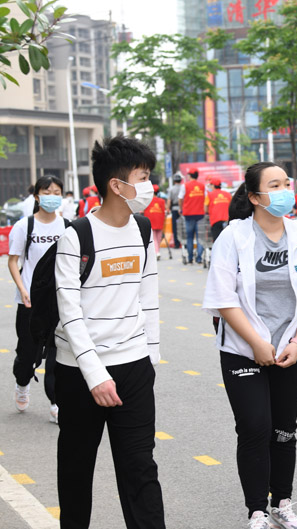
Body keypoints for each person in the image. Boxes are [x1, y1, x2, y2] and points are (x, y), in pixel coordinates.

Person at [202, 161, 297, 529]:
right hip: (243, 349)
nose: (286, 190)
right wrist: (257, 343)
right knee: (255, 426)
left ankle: (282, 503)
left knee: (284, 429)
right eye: (275, 185)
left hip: (290, 350)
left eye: (286, 183)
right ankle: (257, 510)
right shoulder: (234, 237)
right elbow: (222, 297)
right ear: (256, 196)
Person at [54, 135, 164, 528]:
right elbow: (70, 312)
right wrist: (95, 374)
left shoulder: (142, 228)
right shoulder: (76, 236)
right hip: (80, 372)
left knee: (140, 470)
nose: (150, 186)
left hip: (133, 367)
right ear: (117, 185)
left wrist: (150, 358)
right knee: (76, 469)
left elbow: (147, 295)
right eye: (143, 176)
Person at [7, 175, 66, 421]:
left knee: (56, 355)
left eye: (56, 192)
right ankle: (22, 382)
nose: (52, 196)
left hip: (59, 301)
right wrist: (22, 288)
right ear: (37, 196)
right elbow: (13, 261)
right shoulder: (25, 226)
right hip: (30, 301)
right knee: (28, 352)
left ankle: (56, 403)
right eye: (47, 191)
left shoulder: (68, 226)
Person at [180, 169, 206, 264]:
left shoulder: (185, 186)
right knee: (200, 237)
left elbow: (180, 198)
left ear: (190, 175)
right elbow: (206, 198)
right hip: (200, 214)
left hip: (188, 214)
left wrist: (181, 208)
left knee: (190, 237)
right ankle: (199, 258)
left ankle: (190, 258)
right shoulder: (202, 186)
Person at [143, 184, 168, 260]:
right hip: (160, 221)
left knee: (154, 239)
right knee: (158, 238)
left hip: (151, 221)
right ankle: (158, 251)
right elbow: (165, 210)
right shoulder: (162, 201)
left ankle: (157, 252)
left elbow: (143, 210)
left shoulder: (148, 200)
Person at [206, 176, 232, 243]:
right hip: (227, 221)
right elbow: (232, 206)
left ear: (213, 185)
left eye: (210, 185)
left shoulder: (209, 195)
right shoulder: (228, 194)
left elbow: (205, 208)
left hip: (215, 221)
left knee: (217, 241)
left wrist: (209, 212)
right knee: (227, 241)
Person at [166, 173, 183, 249]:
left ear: (174, 181)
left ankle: (177, 244)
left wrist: (168, 209)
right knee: (183, 226)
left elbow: (169, 200)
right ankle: (183, 243)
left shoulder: (171, 189)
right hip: (183, 209)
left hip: (174, 209)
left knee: (175, 227)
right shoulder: (183, 188)